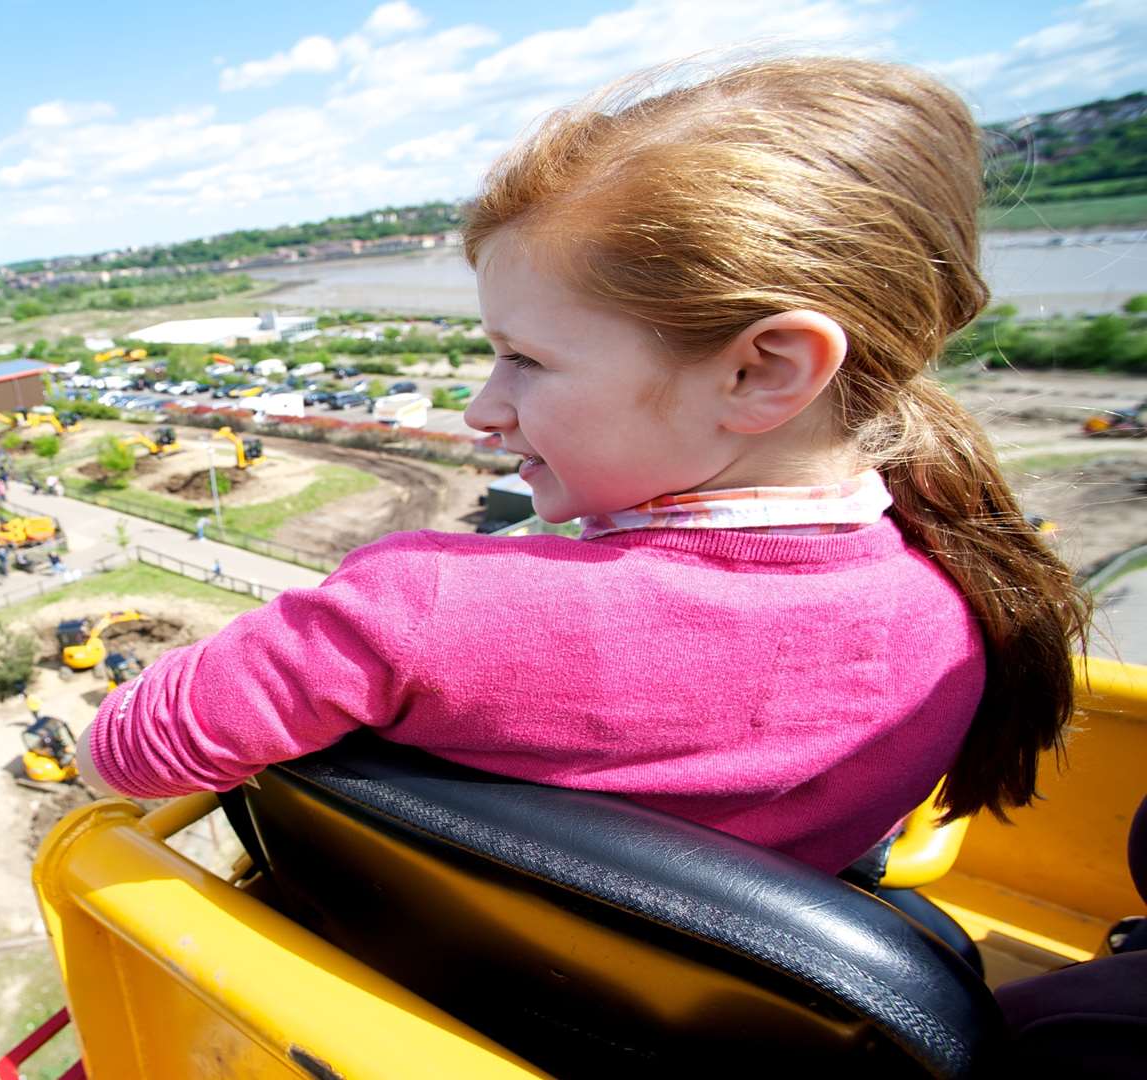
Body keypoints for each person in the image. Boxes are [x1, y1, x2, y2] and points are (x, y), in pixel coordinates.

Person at [77, 57, 1091, 875]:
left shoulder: (422, 611)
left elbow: (125, 751)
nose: (484, 405)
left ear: (762, 369)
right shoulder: (957, 615)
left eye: (525, 358)